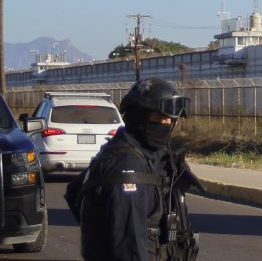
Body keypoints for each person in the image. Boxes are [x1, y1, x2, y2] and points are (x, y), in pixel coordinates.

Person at [67, 78, 200, 261]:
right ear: (138, 116)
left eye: (170, 119)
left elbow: (74, 190)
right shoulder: (127, 165)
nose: (166, 124)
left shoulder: (151, 156)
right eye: (159, 117)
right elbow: (128, 247)